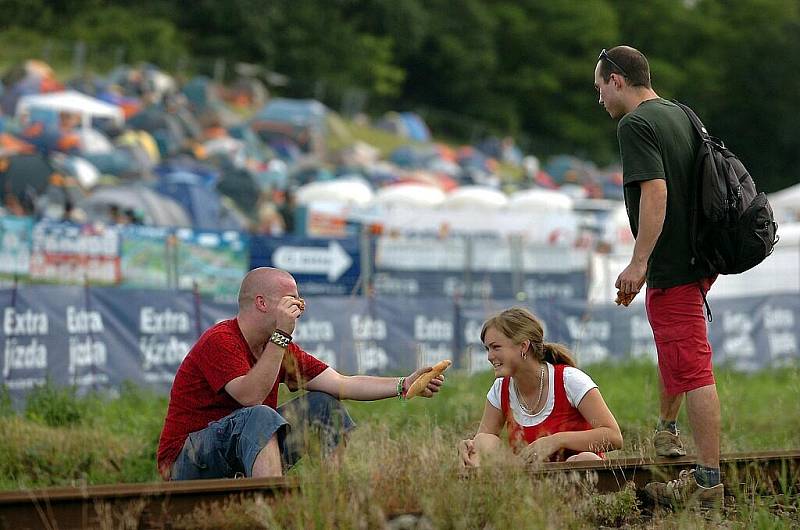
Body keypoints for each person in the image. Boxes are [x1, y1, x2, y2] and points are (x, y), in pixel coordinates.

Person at [157, 267, 445, 481]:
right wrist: (281, 335)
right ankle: (271, 506)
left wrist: (402, 384)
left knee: (324, 405)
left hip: (240, 453)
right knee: (260, 414)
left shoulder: (278, 347)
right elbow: (250, 397)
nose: (300, 306)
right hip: (186, 461)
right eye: (291, 299)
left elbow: (341, 383)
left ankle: (333, 500)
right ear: (262, 303)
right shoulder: (222, 340)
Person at [594, 46, 723, 509]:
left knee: (694, 366)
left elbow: (656, 192)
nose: (600, 100)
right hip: (699, 259)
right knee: (676, 348)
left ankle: (708, 481)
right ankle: (668, 433)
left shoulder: (635, 124)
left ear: (617, 81)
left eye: (599, 89)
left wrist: (638, 262)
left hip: (673, 266)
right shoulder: (681, 113)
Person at [458, 307, 622, 467]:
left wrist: (557, 441)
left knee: (585, 458)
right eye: (487, 349)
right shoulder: (500, 388)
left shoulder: (569, 380)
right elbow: (484, 440)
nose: (489, 356)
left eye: (496, 347)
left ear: (523, 346)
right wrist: (470, 448)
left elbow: (614, 437)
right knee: (482, 441)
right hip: (528, 481)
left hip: (578, 480)